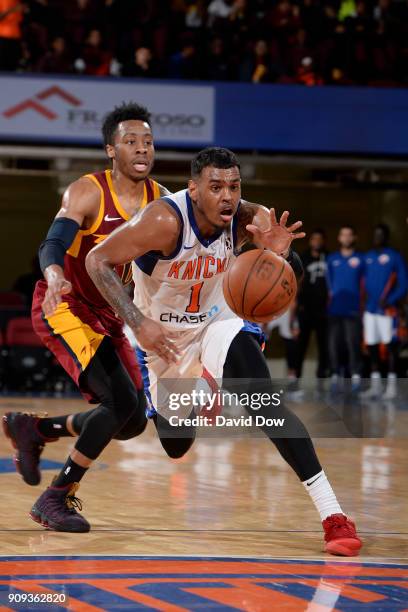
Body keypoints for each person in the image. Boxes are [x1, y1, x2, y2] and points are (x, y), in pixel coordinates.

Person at [82, 147, 362, 556]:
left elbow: (288, 275)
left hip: (219, 321)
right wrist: (136, 320)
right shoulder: (163, 220)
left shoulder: (252, 219)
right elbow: (97, 260)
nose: (227, 196)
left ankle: (334, 516)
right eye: (216, 187)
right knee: (176, 444)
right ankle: (198, 387)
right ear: (194, 190)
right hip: (162, 339)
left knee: (264, 403)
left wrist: (279, 254)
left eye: (234, 186)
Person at [3, 102, 170, 532]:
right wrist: (55, 274)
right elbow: (52, 243)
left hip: (112, 315)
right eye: (131, 141)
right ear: (111, 150)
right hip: (67, 306)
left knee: (132, 421)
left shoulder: (163, 202)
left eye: (148, 142)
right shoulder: (87, 191)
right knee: (117, 404)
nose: (142, 149)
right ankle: (55, 498)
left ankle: (36, 429)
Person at [361, 224, 407, 400]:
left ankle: (392, 388)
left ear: (386, 237)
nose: (377, 238)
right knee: (371, 347)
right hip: (370, 310)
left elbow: (404, 283)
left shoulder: (394, 256)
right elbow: (362, 282)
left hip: (387, 310)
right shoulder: (368, 257)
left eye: (380, 235)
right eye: (375, 234)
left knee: (390, 347)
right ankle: (376, 386)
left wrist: (391, 299)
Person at [326, 226, 364, 393]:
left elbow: (365, 285)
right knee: (334, 344)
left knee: (352, 343)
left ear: (354, 237)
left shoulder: (361, 259)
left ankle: (356, 376)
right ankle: (335, 375)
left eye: (349, 235)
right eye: (343, 235)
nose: (346, 238)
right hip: (335, 309)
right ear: (339, 238)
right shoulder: (332, 259)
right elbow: (329, 284)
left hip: (353, 309)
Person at [296, 229, 329, 387]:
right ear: (310, 241)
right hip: (306, 308)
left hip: (324, 309)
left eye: (319, 239)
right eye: (314, 238)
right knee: (300, 346)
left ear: (323, 241)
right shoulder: (303, 258)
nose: (316, 241)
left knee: (324, 347)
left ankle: (321, 382)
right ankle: (295, 381)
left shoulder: (329, 257)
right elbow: (297, 282)